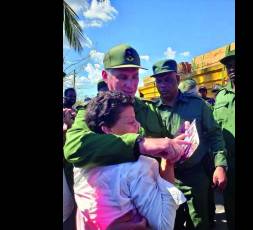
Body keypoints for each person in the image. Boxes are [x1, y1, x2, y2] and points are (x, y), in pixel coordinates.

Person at [64, 44, 190, 170]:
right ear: (105, 76)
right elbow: (74, 147)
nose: (130, 85)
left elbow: (164, 142)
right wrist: (139, 144)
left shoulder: (149, 109)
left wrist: (178, 139)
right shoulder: (92, 111)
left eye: (135, 77)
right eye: (122, 77)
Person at [74, 91, 187, 229]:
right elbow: (164, 225)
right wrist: (168, 161)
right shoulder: (137, 167)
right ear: (107, 129)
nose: (138, 126)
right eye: (131, 122)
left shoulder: (81, 162)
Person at [151, 59, 228, 229]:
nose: (162, 85)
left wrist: (220, 165)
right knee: (172, 222)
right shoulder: (152, 110)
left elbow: (215, 135)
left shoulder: (197, 105)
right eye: (159, 81)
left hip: (196, 175)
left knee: (200, 221)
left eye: (168, 79)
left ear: (178, 80)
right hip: (167, 176)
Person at [213, 50, 235, 230]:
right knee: (231, 206)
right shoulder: (220, 96)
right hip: (229, 163)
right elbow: (214, 130)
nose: (232, 69)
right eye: (229, 66)